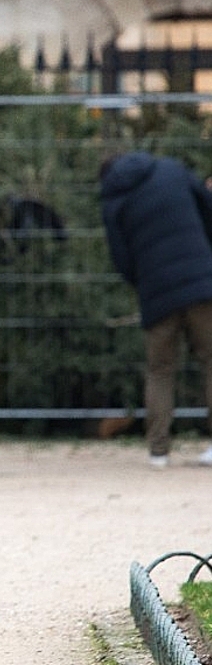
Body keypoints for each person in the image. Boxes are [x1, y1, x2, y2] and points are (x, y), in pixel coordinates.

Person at [99, 151, 212, 469]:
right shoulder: (172, 169)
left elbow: (120, 255)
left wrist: (143, 281)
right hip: (202, 280)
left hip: (156, 291)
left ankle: (158, 452)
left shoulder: (113, 197)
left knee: (160, 370)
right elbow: (207, 206)